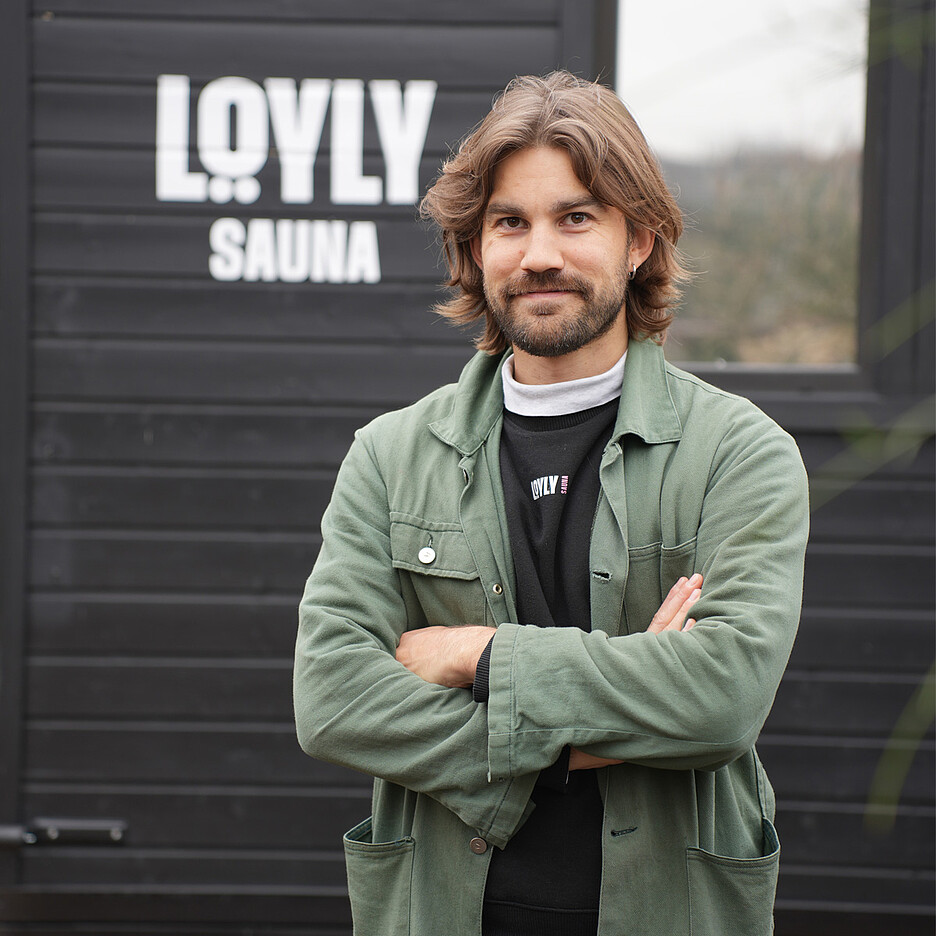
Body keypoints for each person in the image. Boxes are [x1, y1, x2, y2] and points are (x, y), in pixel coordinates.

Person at [294, 70, 809, 936]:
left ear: (639, 238)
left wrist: (477, 654)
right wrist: (599, 730)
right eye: (509, 223)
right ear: (476, 246)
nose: (539, 254)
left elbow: (722, 696)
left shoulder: (739, 452)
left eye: (576, 217)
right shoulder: (388, 457)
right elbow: (334, 698)